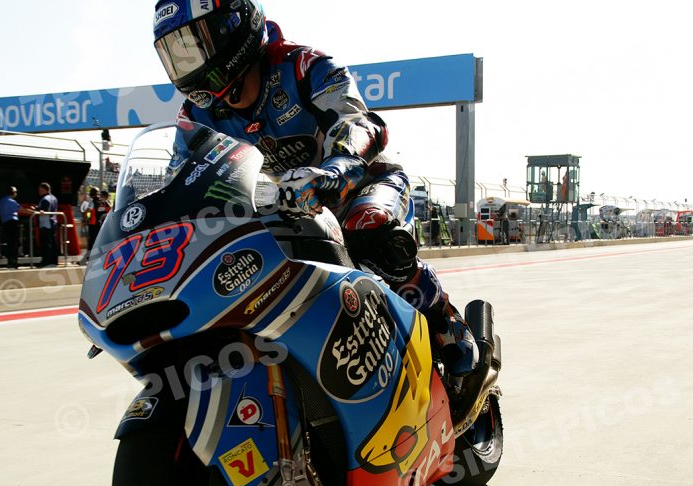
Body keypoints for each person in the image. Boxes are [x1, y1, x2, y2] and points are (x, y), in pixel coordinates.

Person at [152, 1, 478, 374]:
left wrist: (334, 170)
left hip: (363, 186)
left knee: (368, 228)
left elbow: (360, 122)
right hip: (289, 211)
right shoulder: (194, 116)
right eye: (176, 54)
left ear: (234, 26)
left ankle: (447, 326)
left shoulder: (302, 65)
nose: (189, 63)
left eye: (196, 44)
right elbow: (178, 179)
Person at [34, 182, 58, 267]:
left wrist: (36, 210)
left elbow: (43, 211)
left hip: (45, 224)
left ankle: (46, 261)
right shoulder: (54, 198)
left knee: (45, 243)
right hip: (53, 222)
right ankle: (54, 261)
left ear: (44, 189)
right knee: (53, 243)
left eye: (40, 190)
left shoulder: (45, 199)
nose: (39, 191)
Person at [0, 186, 20, 268]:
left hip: (5, 223)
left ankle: (9, 261)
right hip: (12, 223)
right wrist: (34, 212)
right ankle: (14, 262)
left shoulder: (1, 201)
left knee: (9, 242)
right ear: (13, 193)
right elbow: (20, 209)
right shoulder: (11, 201)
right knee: (14, 242)